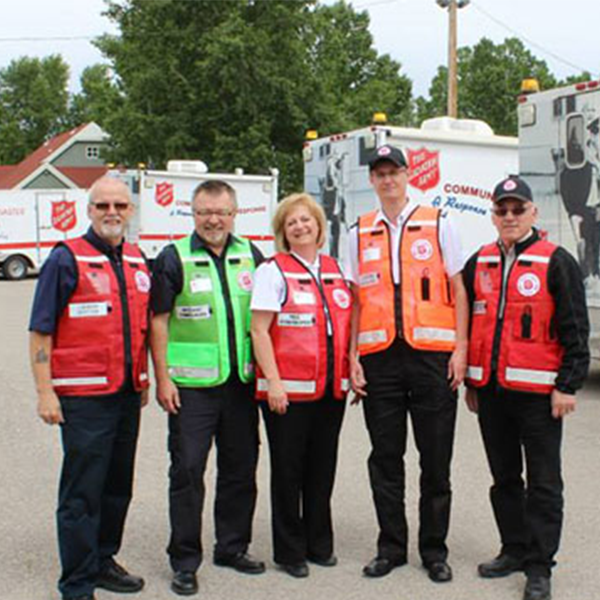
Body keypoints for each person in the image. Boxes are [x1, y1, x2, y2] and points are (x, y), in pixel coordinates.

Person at [463, 176, 590, 600]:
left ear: (533, 213)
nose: (510, 217)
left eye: (518, 209)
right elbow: (469, 324)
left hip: (540, 395)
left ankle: (539, 567)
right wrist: (471, 381)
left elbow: (575, 328)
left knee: (544, 483)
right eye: (502, 210)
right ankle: (513, 549)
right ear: (493, 215)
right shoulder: (478, 261)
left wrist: (567, 385)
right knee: (504, 479)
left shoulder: (557, 260)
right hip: (493, 392)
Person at [346, 145, 468, 583]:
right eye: (379, 174)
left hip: (433, 358)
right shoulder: (357, 230)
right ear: (373, 180)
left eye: (393, 171)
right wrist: (351, 357)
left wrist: (461, 349)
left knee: (435, 459)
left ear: (406, 173)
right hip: (379, 360)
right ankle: (391, 547)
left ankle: (434, 550)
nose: (387, 180)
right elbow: (354, 300)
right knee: (385, 458)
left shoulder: (439, 222)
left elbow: (458, 286)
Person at [29, 176, 150, 600]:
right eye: (103, 205)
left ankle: (103, 561)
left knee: (118, 487)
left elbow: (141, 327)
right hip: (83, 400)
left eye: (120, 204)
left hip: (126, 394)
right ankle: (77, 583)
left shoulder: (137, 259)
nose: (112, 212)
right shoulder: (66, 260)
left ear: (130, 211)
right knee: (82, 493)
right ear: (89, 209)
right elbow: (41, 331)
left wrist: (144, 377)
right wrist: (45, 392)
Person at [150, 180, 265, 596]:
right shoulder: (173, 257)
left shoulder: (250, 255)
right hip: (190, 389)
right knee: (187, 472)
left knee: (240, 469)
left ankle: (232, 547)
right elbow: (158, 321)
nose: (213, 219)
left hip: (240, 384)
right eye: (204, 212)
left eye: (221, 212)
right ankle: (184, 560)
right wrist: (162, 378)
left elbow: (265, 319)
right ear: (193, 214)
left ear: (235, 214)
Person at [250, 193, 352, 578]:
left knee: (322, 469)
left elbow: (344, 325)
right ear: (283, 232)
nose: (300, 227)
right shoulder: (272, 270)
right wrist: (273, 382)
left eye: (306, 220)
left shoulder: (335, 268)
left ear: (319, 227)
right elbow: (259, 330)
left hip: (329, 391)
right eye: (291, 222)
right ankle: (290, 552)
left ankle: (319, 543)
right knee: (288, 470)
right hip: (286, 394)